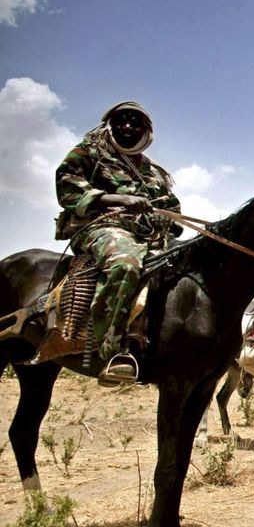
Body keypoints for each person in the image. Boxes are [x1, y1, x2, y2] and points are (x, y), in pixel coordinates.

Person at [54, 101, 182, 384]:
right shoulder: (89, 152)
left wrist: (171, 220)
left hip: (150, 237)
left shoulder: (153, 171)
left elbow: (173, 207)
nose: (127, 126)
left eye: (135, 123)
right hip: (102, 228)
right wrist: (115, 199)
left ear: (146, 131)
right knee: (125, 264)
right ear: (110, 124)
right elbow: (66, 183)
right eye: (122, 120)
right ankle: (113, 350)